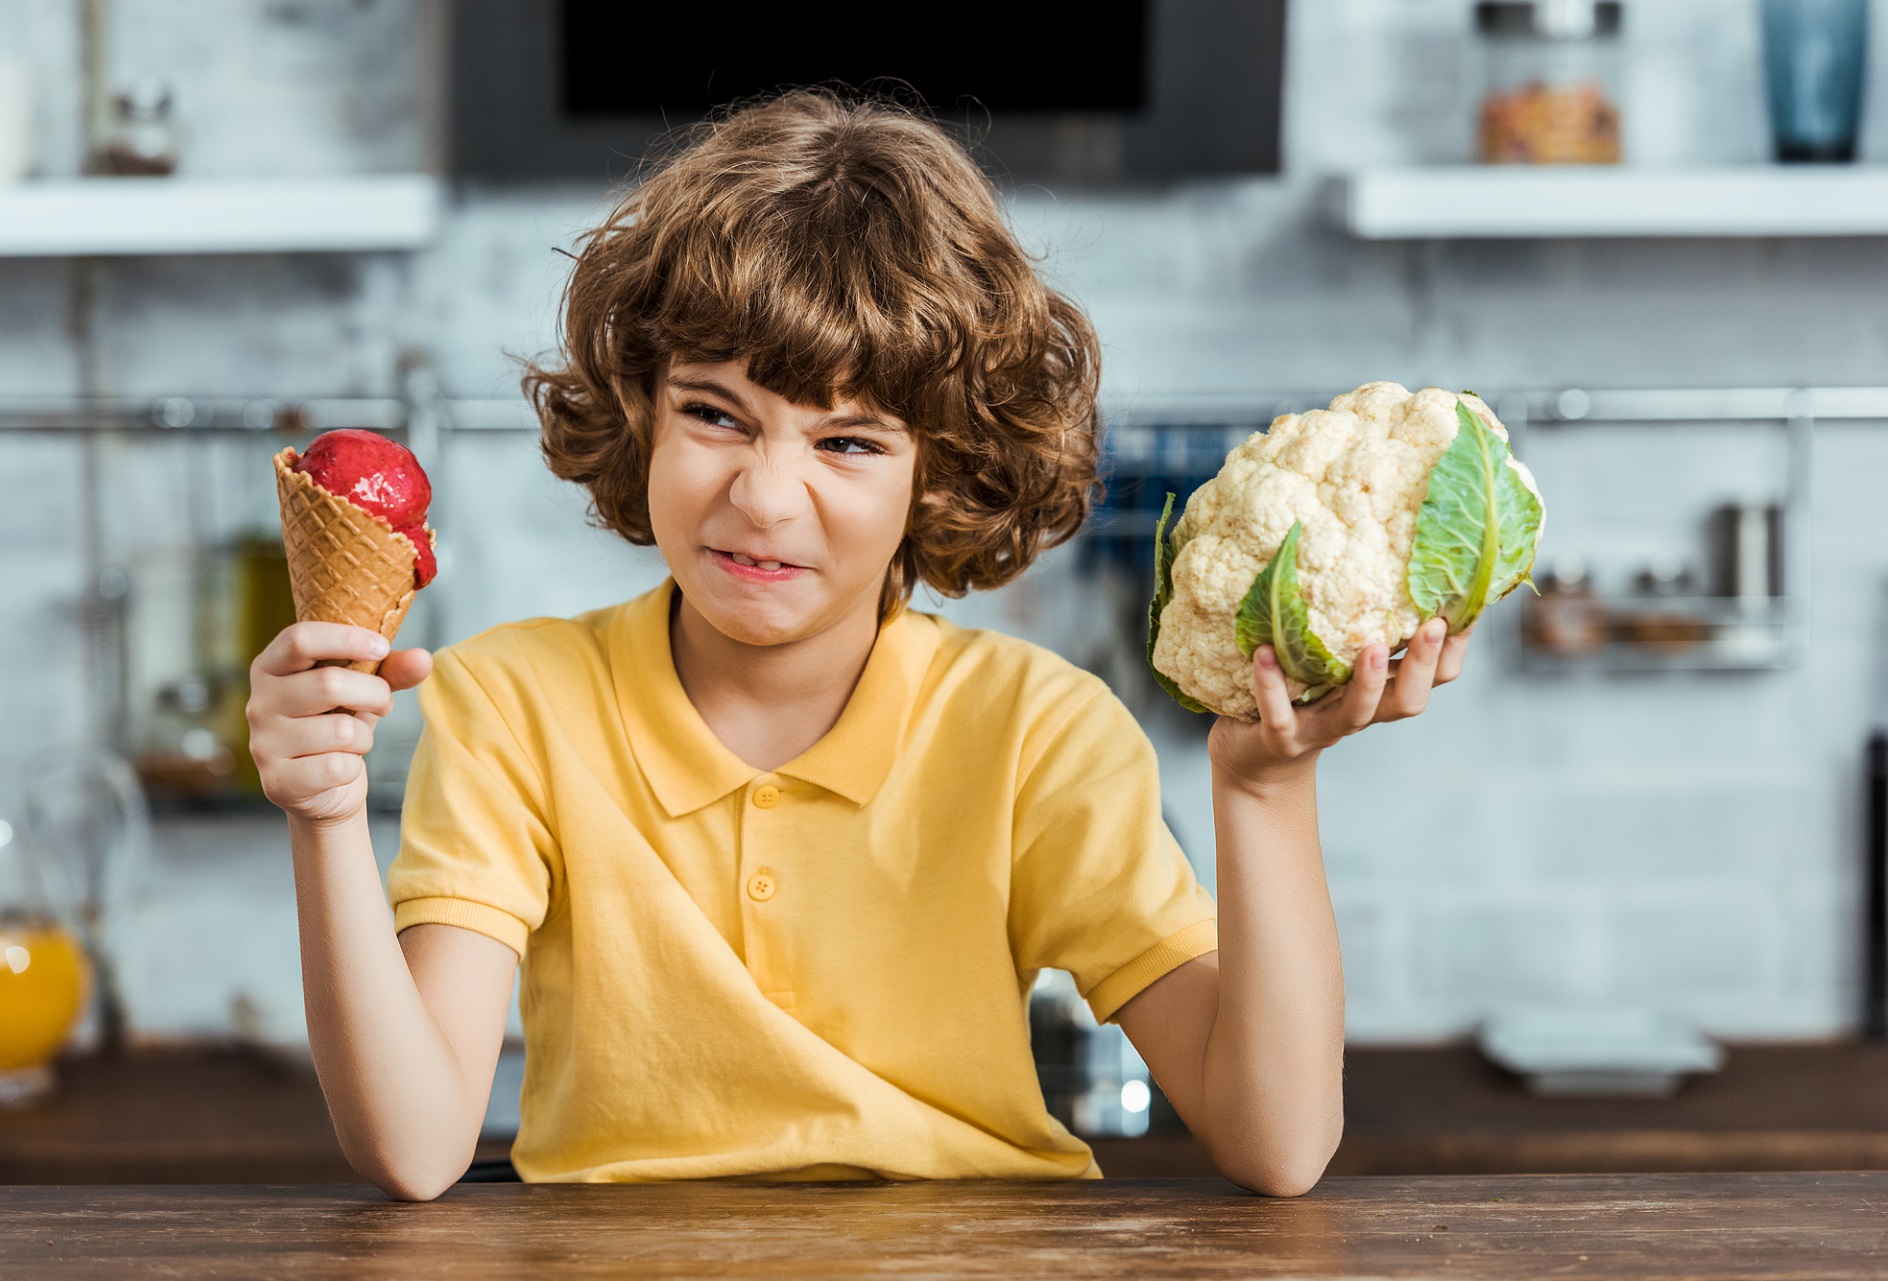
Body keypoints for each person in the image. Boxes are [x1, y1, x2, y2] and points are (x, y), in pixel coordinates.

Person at [245, 90, 1468, 1201]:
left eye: (850, 443)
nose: (767, 500)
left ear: (944, 473)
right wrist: (325, 811)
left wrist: (1265, 788)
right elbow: (412, 1150)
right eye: (716, 416)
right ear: (641, 411)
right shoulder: (517, 703)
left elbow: (1279, 1143)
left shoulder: (1035, 731)